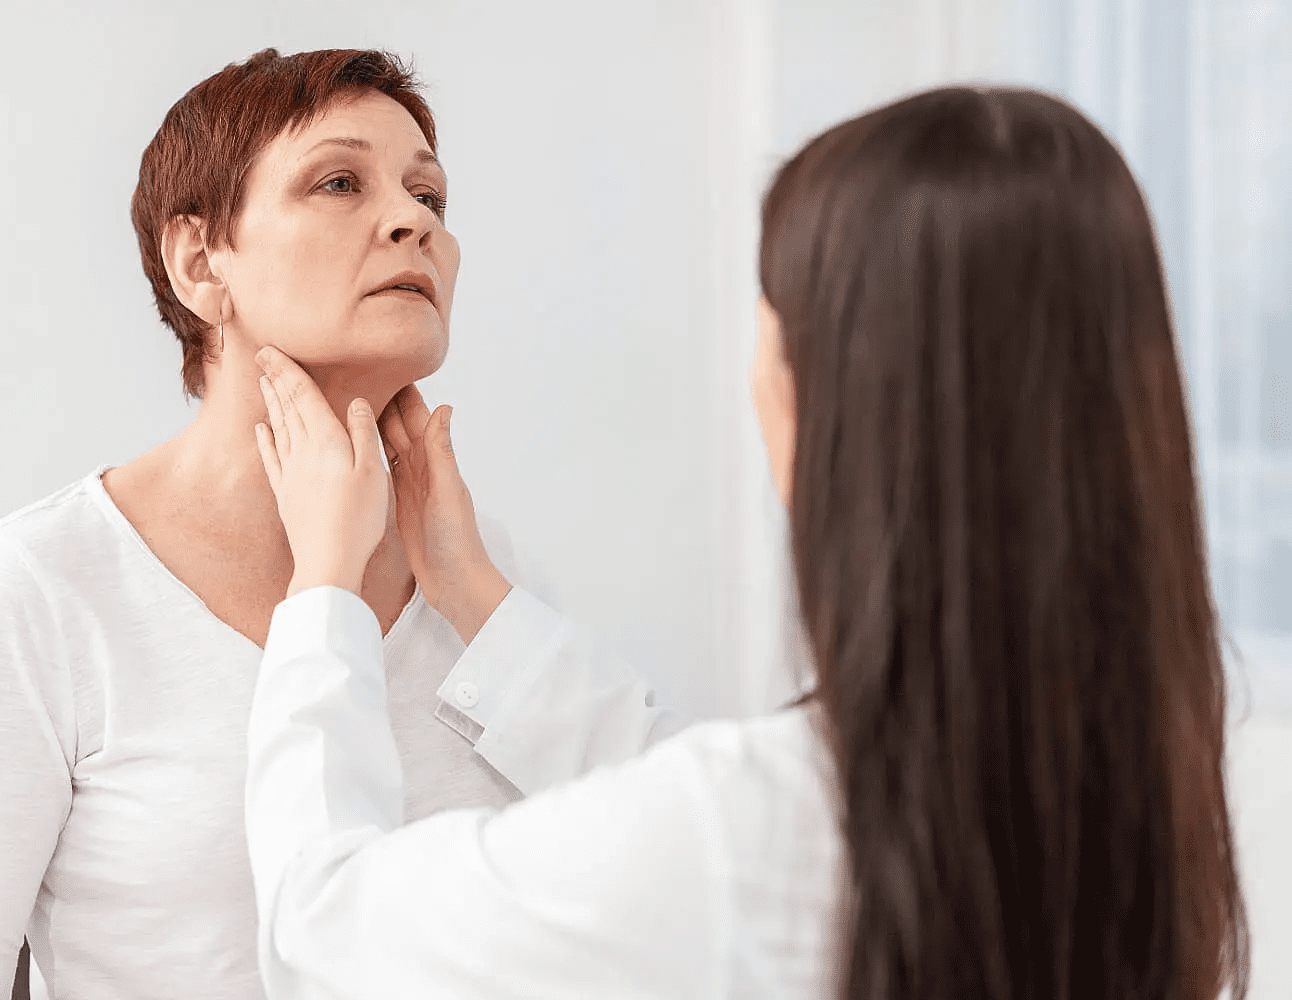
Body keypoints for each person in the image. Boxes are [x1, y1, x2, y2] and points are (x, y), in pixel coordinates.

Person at [244, 85, 1252, 999]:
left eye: (768, 328)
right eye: (340, 180)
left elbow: (323, 936)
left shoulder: (746, 834)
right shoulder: (1176, 780)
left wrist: (323, 586)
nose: (411, 219)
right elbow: (701, 796)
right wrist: (471, 591)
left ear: (825, 397)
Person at [0, 48, 680, 1000]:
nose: (412, 221)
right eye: (338, 182)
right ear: (200, 261)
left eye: (431, 198)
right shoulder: (50, 581)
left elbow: (639, 894)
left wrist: (474, 589)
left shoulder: (487, 579)